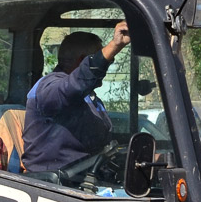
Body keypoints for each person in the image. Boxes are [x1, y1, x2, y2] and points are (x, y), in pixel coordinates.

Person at [22, 21, 130, 175]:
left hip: (88, 177)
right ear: (82, 62)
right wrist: (114, 46)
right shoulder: (49, 89)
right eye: (106, 60)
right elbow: (73, 87)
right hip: (55, 185)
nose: (107, 66)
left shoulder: (88, 97)